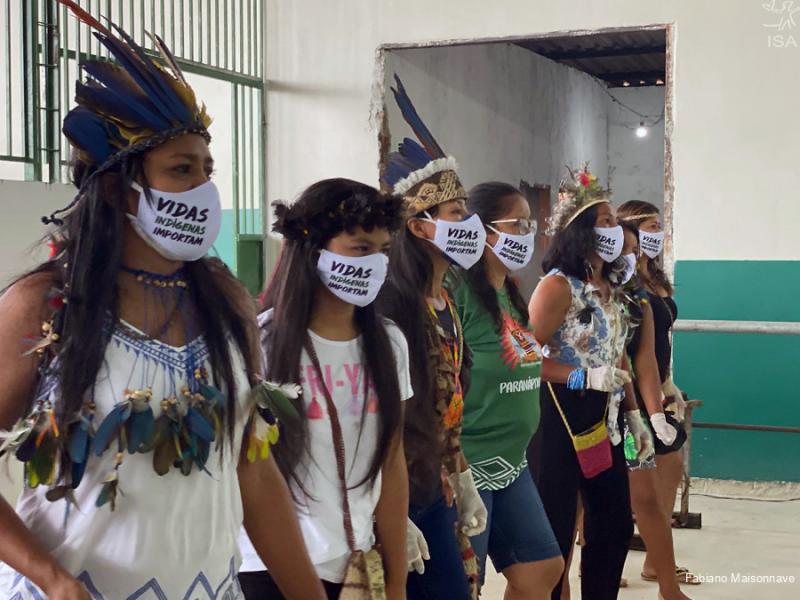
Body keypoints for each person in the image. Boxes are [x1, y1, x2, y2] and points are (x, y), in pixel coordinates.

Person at [0, 6, 323, 598]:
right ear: (120, 186)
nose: (205, 188)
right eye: (181, 169)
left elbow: (252, 468)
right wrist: (49, 578)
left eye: (208, 168)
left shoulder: (227, 303)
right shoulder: (46, 304)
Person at [237, 179, 411, 599]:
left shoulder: (389, 344)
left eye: (383, 251)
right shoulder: (261, 344)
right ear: (313, 250)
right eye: (360, 249)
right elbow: (249, 471)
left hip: (355, 565)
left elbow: (392, 460)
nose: (375, 264)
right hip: (269, 571)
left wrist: (397, 578)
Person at [379, 76, 488, 600]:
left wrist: (459, 473)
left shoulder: (449, 300)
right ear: (419, 226)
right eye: (455, 213)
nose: (468, 222)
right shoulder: (393, 304)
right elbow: (387, 415)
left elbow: (447, 405)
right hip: (403, 493)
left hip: (437, 485)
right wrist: (390, 505)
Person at [526, 165, 649, 600]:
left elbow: (616, 354)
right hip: (558, 415)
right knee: (556, 528)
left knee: (615, 523)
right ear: (582, 231)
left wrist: (634, 413)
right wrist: (579, 374)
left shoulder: (611, 287)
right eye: (608, 221)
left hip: (606, 419)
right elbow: (524, 358)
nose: (617, 229)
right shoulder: (557, 287)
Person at [448, 182, 564, 600]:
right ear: (481, 230)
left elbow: (527, 356)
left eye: (529, 225)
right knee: (465, 585)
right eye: (516, 225)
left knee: (541, 570)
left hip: (511, 462)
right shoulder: (456, 292)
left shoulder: (511, 293)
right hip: (470, 463)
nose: (526, 235)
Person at [619, 201, 699, 589]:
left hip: (657, 388)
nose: (657, 232)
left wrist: (666, 386)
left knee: (669, 465)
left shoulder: (655, 277)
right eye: (650, 226)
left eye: (659, 225)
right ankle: (603, 560)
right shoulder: (623, 279)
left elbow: (656, 346)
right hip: (624, 393)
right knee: (629, 483)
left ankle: (656, 559)